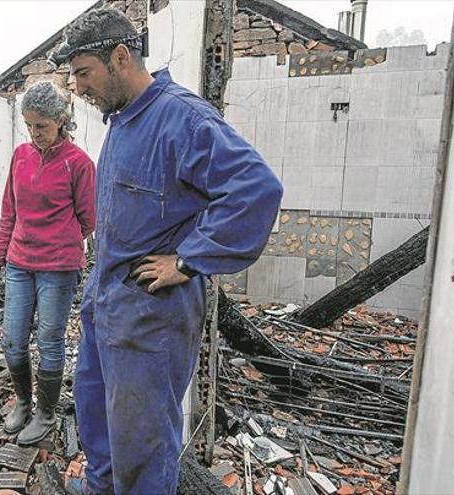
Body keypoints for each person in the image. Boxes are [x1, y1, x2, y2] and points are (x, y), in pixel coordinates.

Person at [50, 7, 283, 494]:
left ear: (120, 57)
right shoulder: (122, 118)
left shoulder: (184, 119)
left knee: (143, 440)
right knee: (95, 414)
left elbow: (256, 189)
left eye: (83, 74)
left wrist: (188, 260)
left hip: (150, 314)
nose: (78, 88)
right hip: (107, 304)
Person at [0, 81, 96, 446]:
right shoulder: (20, 155)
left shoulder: (78, 164)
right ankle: (22, 402)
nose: (35, 134)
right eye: (29, 126)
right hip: (19, 262)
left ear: (61, 121)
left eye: (42, 126)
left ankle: (46, 413)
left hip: (59, 267)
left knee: (49, 339)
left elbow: (89, 219)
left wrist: (60, 237)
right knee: (13, 340)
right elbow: (9, 211)